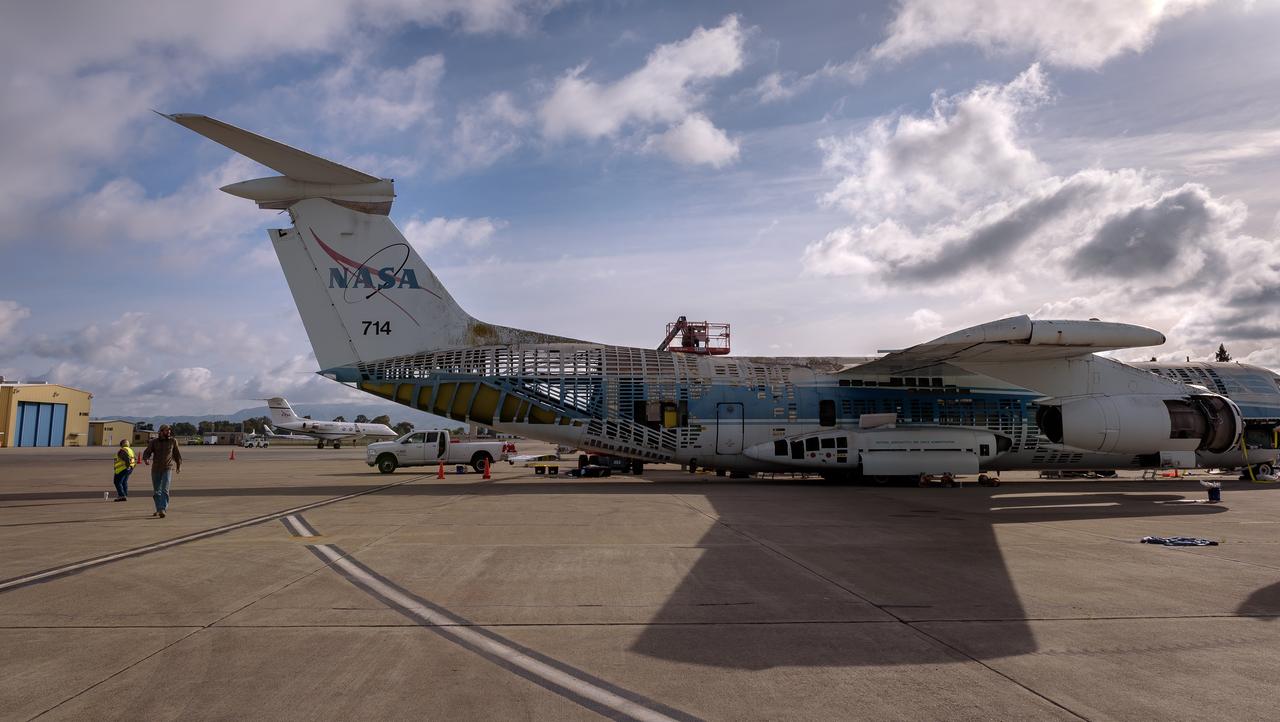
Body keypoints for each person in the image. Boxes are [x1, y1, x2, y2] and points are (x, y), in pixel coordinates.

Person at [142, 425, 182, 518]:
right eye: (166, 430)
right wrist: (146, 459)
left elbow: (176, 454)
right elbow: (147, 451)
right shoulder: (154, 442)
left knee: (165, 489)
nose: (169, 432)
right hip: (156, 469)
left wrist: (178, 466)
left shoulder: (173, 441)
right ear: (161, 431)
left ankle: (162, 509)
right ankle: (158, 509)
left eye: (169, 430)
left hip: (167, 468)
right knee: (157, 491)